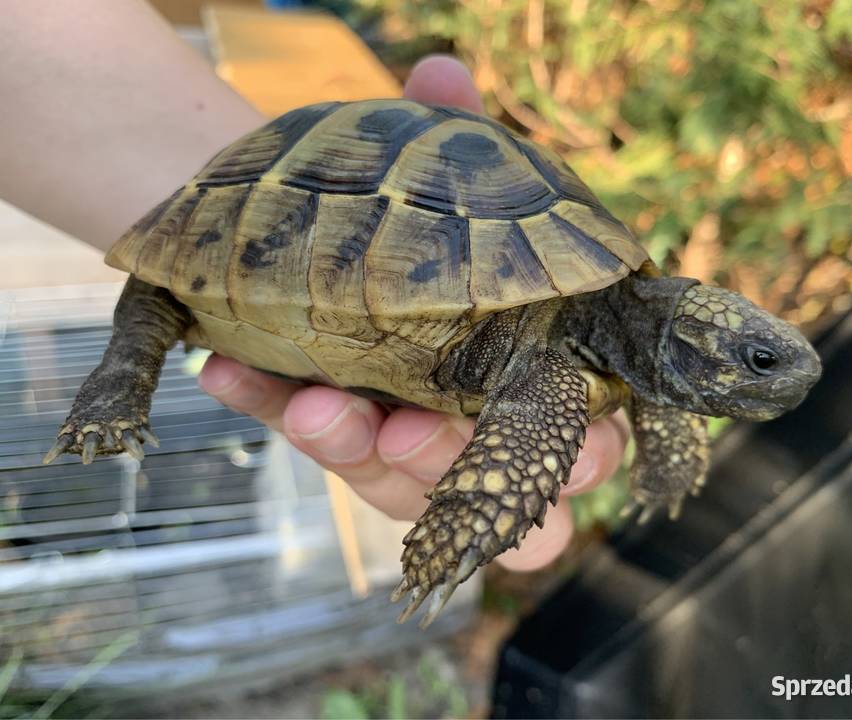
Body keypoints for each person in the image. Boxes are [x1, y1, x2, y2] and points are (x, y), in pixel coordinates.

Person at [1, 1, 628, 572]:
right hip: (302, 179)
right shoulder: (556, 359)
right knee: (154, 300)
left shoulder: (577, 361)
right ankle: (114, 388)